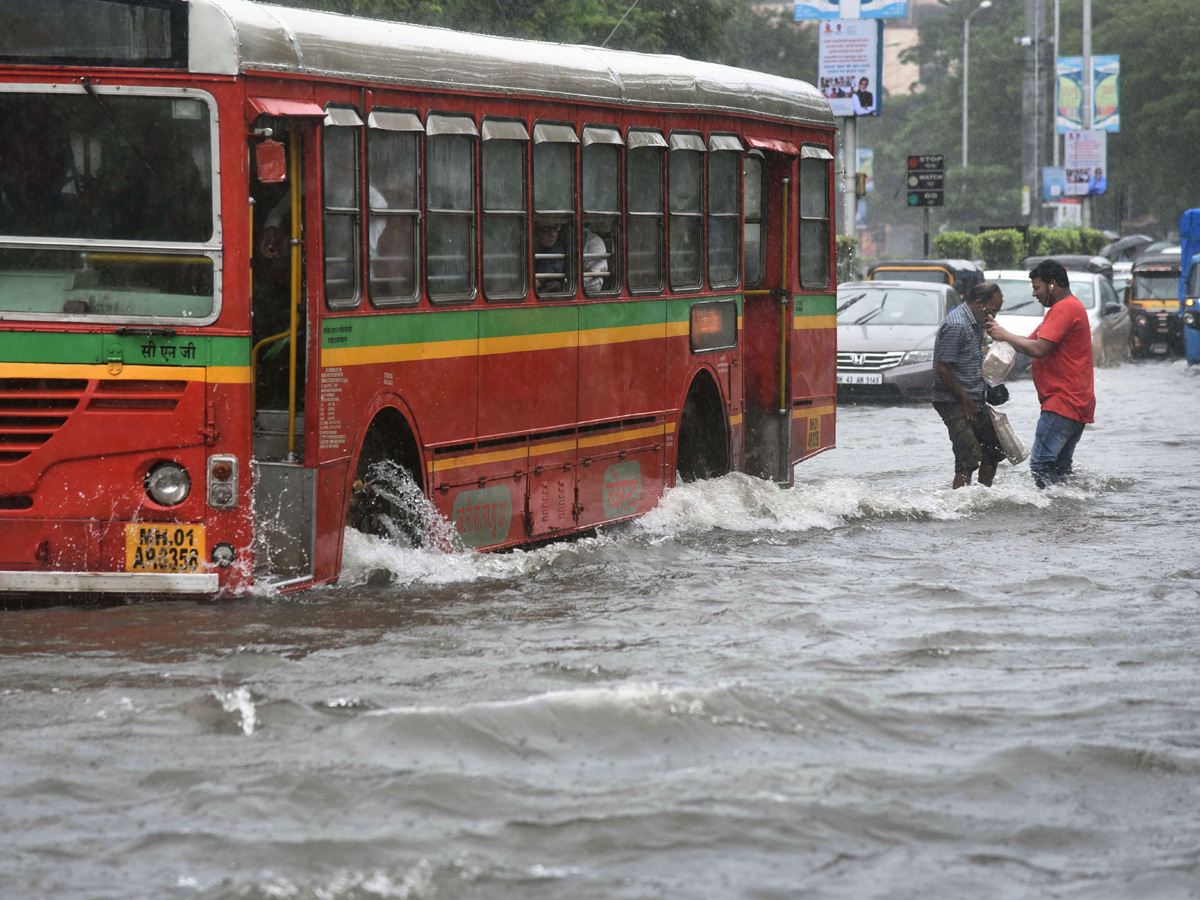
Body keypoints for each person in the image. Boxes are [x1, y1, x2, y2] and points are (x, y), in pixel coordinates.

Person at [986, 259, 1094, 488]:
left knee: (1041, 465)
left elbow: (1039, 349)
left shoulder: (1065, 308)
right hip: (1076, 402)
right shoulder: (1064, 308)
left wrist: (1004, 334)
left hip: (1063, 402)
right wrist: (1001, 335)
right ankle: (1067, 514)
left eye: (1037, 288)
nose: (1034, 294)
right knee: (1061, 468)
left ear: (1052, 284)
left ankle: (1053, 514)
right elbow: (1030, 341)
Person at [932, 281, 1006, 489]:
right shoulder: (957, 325)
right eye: (992, 311)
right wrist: (965, 402)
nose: (994, 317)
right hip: (953, 400)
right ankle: (958, 508)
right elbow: (942, 369)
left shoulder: (976, 324)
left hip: (974, 397)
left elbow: (972, 361)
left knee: (993, 450)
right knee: (968, 459)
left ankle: (982, 498)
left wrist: (990, 387)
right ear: (978, 303)